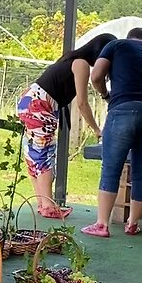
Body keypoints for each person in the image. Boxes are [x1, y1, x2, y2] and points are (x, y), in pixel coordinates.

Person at [81, 27, 142, 237]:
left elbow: (96, 76)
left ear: (129, 37)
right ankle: (132, 224)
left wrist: (106, 95)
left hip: (125, 108)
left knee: (111, 166)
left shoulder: (116, 45)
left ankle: (102, 224)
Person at [17, 32, 116, 218]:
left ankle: (42, 201)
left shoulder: (71, 58)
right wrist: (96, 129)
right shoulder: (81, 64)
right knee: (44, 153)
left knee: (33, 153)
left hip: (28, 102)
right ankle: (47, 205)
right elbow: (82, 103)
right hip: (41, 105)